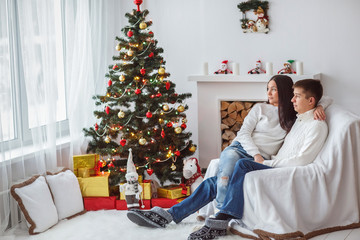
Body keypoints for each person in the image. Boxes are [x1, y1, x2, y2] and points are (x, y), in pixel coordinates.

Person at [126, 79, 329, 240]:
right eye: (268, 89)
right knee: (219, 179)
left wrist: (320, 105)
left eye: (274, 89)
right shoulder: (273, 111)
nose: (269, 94)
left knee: (224, 175)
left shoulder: (300, 118)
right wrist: (258, 156)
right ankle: (192, 216)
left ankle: (204, 218)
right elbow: (244, 133)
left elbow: (321, 99)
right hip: (247, 152)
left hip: (266, 162)